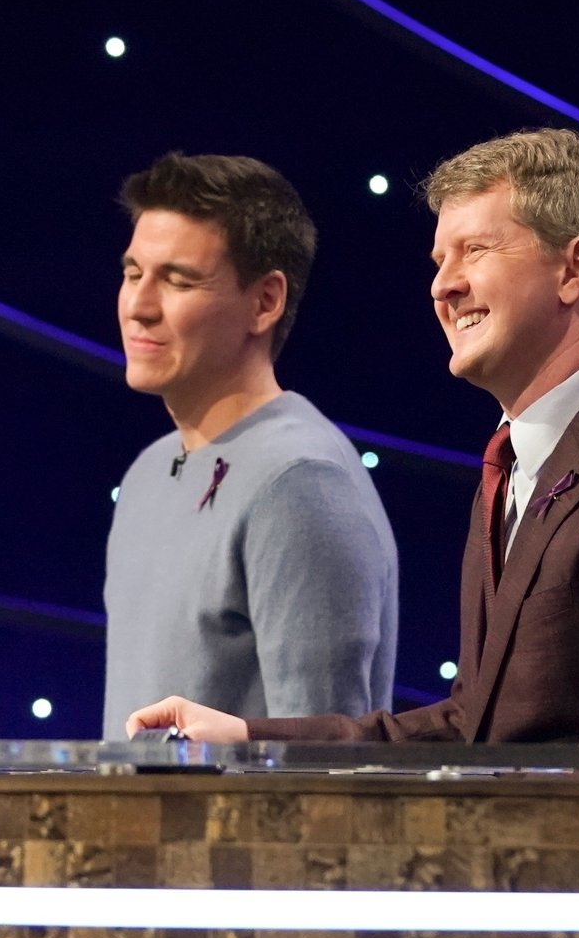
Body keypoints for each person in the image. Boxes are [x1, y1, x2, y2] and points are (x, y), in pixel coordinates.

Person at [129, 129, 579, 748]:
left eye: (475, 250)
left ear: (577, 266)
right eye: (440, 259)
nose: (443, 284)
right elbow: (472, 725)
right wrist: (246, 737)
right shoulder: (516, 465)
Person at [101, 152, 398, 741]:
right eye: (134, 273)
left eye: (178, 279)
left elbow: (324, 774)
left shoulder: (299, 480)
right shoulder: (147, 471)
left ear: (265, 302)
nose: (139, 305)